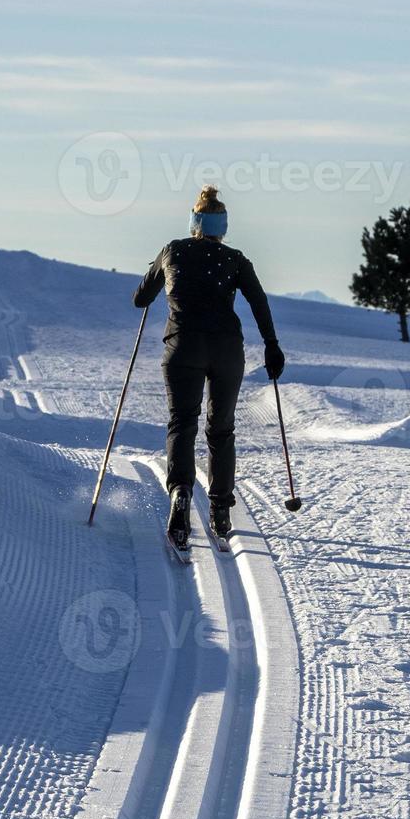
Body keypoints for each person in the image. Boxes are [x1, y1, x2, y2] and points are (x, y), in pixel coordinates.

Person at [133, 186, 284, 550]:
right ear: (222, 227)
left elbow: (140, 299)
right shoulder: (235, 260)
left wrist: (157, 278)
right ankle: (220, 509)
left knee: (182, 422)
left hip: (182, 347)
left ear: (194, 223)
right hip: (226, 350)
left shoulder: (173, 250)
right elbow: (259, 302)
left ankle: (181, 493)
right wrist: (272, 346)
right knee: (221, 428)